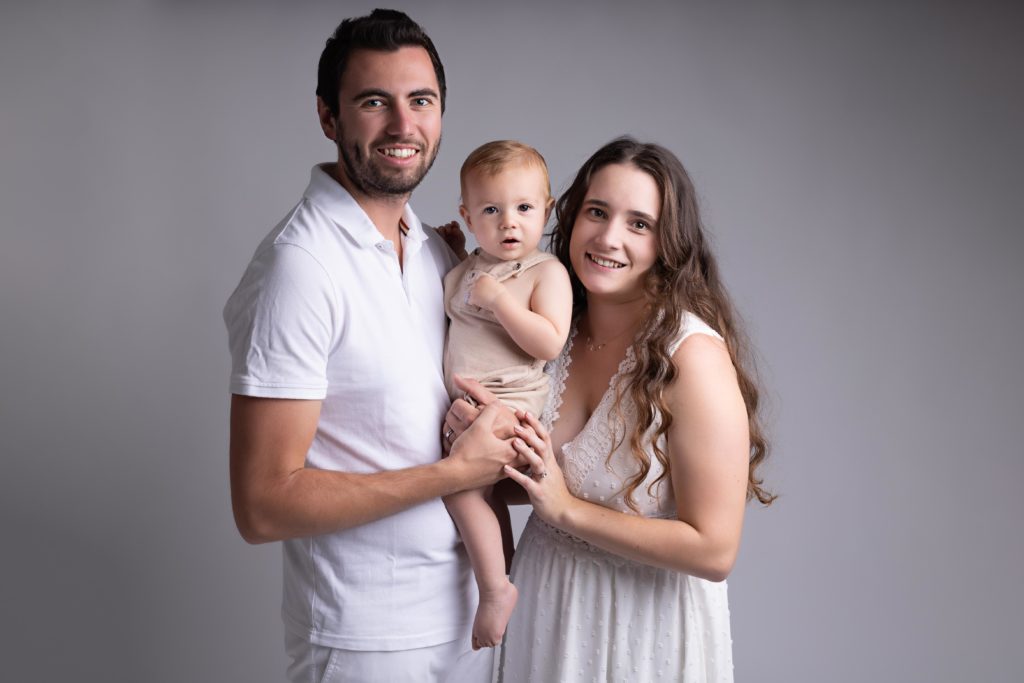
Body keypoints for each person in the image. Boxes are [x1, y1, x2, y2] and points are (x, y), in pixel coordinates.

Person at [222, 10, 519, 683]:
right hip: (367, 642)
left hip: (467, 623)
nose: (402, 125)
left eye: (420, 101)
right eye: (373, 102)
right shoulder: (302, 267)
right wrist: (453, 474)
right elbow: (263, 502)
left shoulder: (434, 249)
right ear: (329, 117)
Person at [448, 137, 774, 682]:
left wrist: (565, 510)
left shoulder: (691, 357)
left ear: (669, 243)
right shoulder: (550, 333)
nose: (608, 237)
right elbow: (537, 478)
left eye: (639, 224)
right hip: (546, 609)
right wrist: (477, 445)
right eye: (597, 212)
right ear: (571, 218)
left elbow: (714, 550)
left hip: (641, 631)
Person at [440, 141, 573, 650]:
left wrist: (500, 301)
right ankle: (507, 574)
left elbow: (549, 341)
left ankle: (494, 590)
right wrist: (456, 253)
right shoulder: (474, 264)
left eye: (524, 208)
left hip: (512, 405)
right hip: (475, 407)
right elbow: (462, 299)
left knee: (458, 484)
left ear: (548, 209)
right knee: (480, 492)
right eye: (491, 210)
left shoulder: (545, 272)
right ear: (468, 216)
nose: (509, 223)